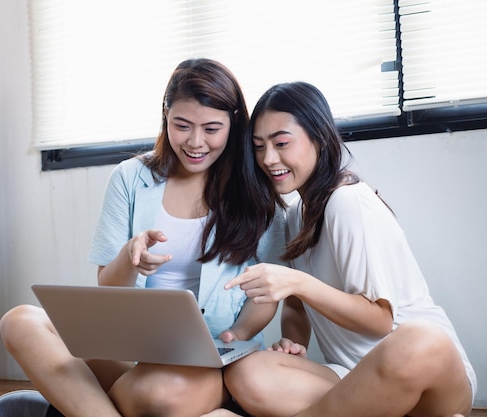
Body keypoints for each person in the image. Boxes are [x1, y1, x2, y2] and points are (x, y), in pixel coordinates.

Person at [0, 58, 285, 417]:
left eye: (211, 129)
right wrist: (129, 255)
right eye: (182, 125)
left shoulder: (256, 191)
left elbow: (267, 291)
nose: (195, 142)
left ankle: (68, 407)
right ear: (165, 115)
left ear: (234, 123)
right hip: (132, 352)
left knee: (159, 396)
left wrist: (235, 337)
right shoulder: (130, 178)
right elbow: (108, 285)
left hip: (209, 362)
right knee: (19, 321)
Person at [204, 81, 477, 417]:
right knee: (248, 373)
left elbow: (379, 321)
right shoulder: (294, 215)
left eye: (282, 143)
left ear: (319, 138)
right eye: (259, 147)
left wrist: (300, 283)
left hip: (425, 376)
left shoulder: (347, 202)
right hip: (348, 378)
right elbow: (295, 307)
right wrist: (294, 343)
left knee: (421, 340)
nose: (268, 158)